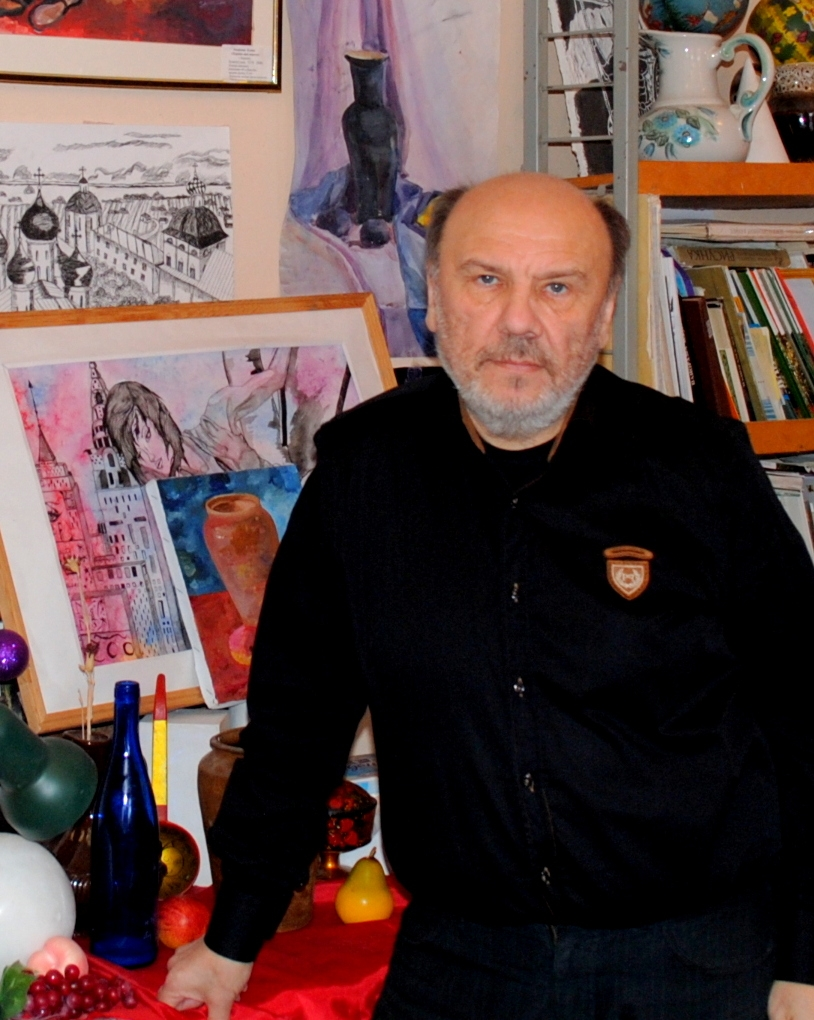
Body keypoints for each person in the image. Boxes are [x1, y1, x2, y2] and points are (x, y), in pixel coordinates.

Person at [157, 173, 814, 1020]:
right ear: (435, 297)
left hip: (691, 963)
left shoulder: (699, 469)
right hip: (460, 962)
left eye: (558, 287)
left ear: (605, 313)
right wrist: (231, 939)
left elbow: (803, 715)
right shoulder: (363, 474)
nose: (518, 321)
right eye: (487, 279)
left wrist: (807, 959)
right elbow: (297, 726)